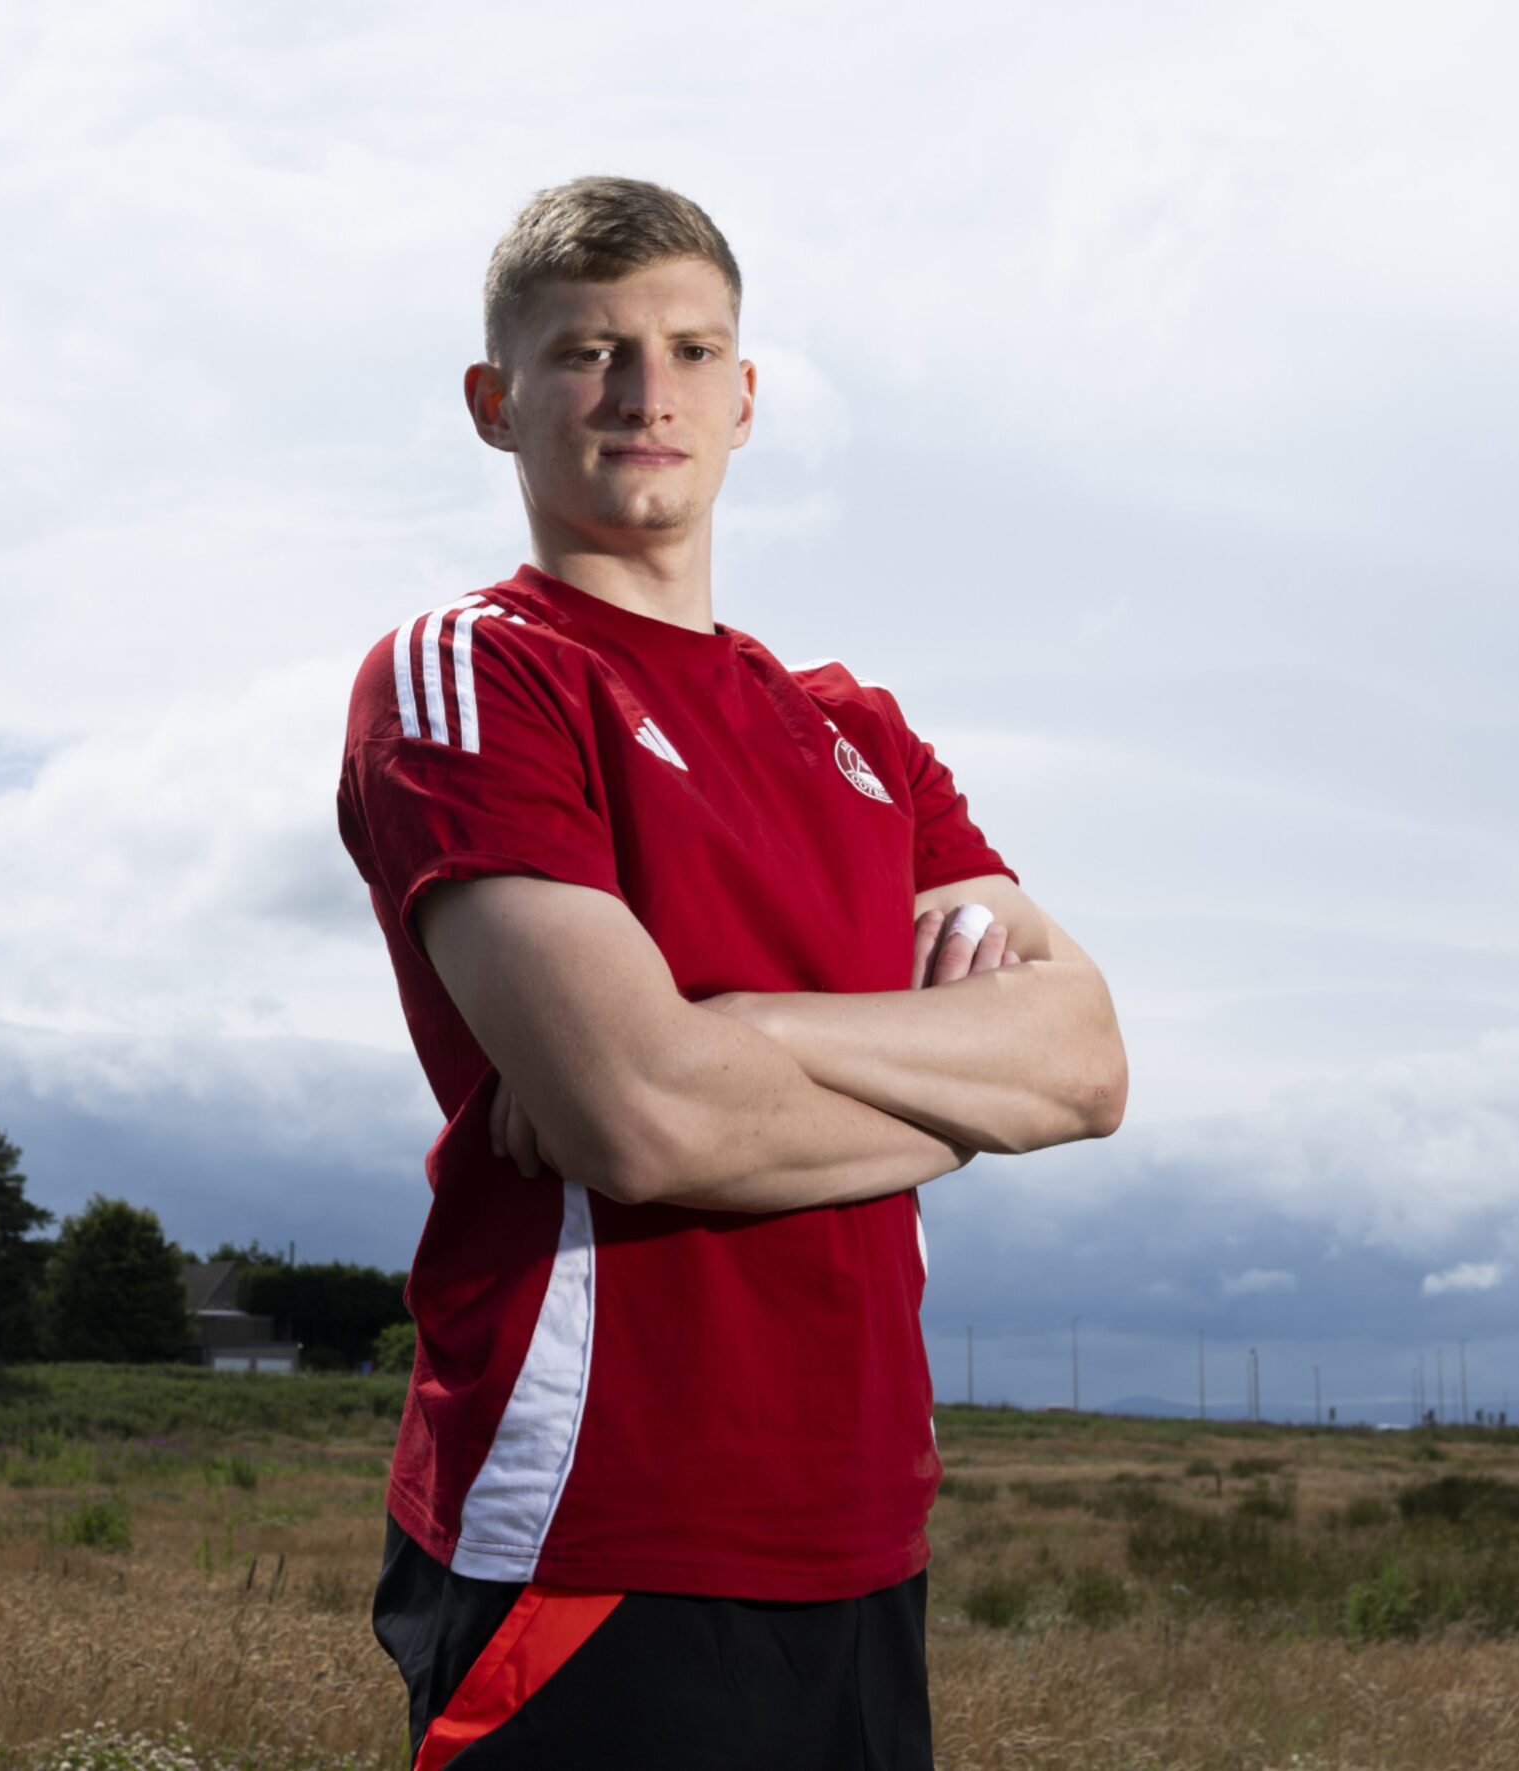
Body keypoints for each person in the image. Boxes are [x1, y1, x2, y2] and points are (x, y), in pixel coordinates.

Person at [334, 175, 1127, 1771]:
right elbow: (645, 1124)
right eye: (590, 353)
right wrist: (947, 1087)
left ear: (747, 400)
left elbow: (1083, 1067)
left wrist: (743, 1031)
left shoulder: (859, 732)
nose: (647, 392)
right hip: (602, 1520)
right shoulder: (476, 675)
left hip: (859, 1525)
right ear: (496, 404)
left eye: (693, 350)